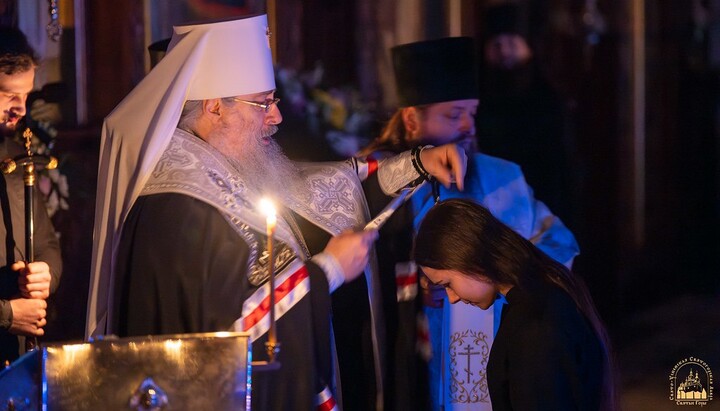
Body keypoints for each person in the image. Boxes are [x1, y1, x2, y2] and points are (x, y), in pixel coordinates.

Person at [85, 15, 466, 411]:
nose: (277, 117)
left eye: (275, 101)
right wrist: (330, 270)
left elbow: (314, 191)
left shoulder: (210, 163)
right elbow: (234, 327)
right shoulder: (182, 204)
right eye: (263, 103)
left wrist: (419, 162)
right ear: (216, 107)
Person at [360, 36, 579, 410]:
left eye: (472, 113)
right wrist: (417, 283)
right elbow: (360, 275)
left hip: (503, 348)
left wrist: (501, 275)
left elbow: (558, 246)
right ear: (412, 119)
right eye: (453, 114)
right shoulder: (376, 184)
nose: (467, 125)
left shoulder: (503, 176)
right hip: (412, 365)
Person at [413, 198, 616, 410]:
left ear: (469, 257)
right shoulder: (540, 294)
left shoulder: (534, 325)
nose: (452, 298)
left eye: (448, 284)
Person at [477, 2, 574, 221]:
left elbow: (562, 171)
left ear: (528, 47)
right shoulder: (477, 99)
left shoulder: (548, 101)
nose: (504, 52)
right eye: (496, 44)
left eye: (512, 42)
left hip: (540, 209)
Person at [0, 26, 62, 364]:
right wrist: (8, 313)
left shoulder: (14, 152)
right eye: (9, 94)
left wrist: (45, 273)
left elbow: (48, 245)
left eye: (25, 96)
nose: (21, 109)